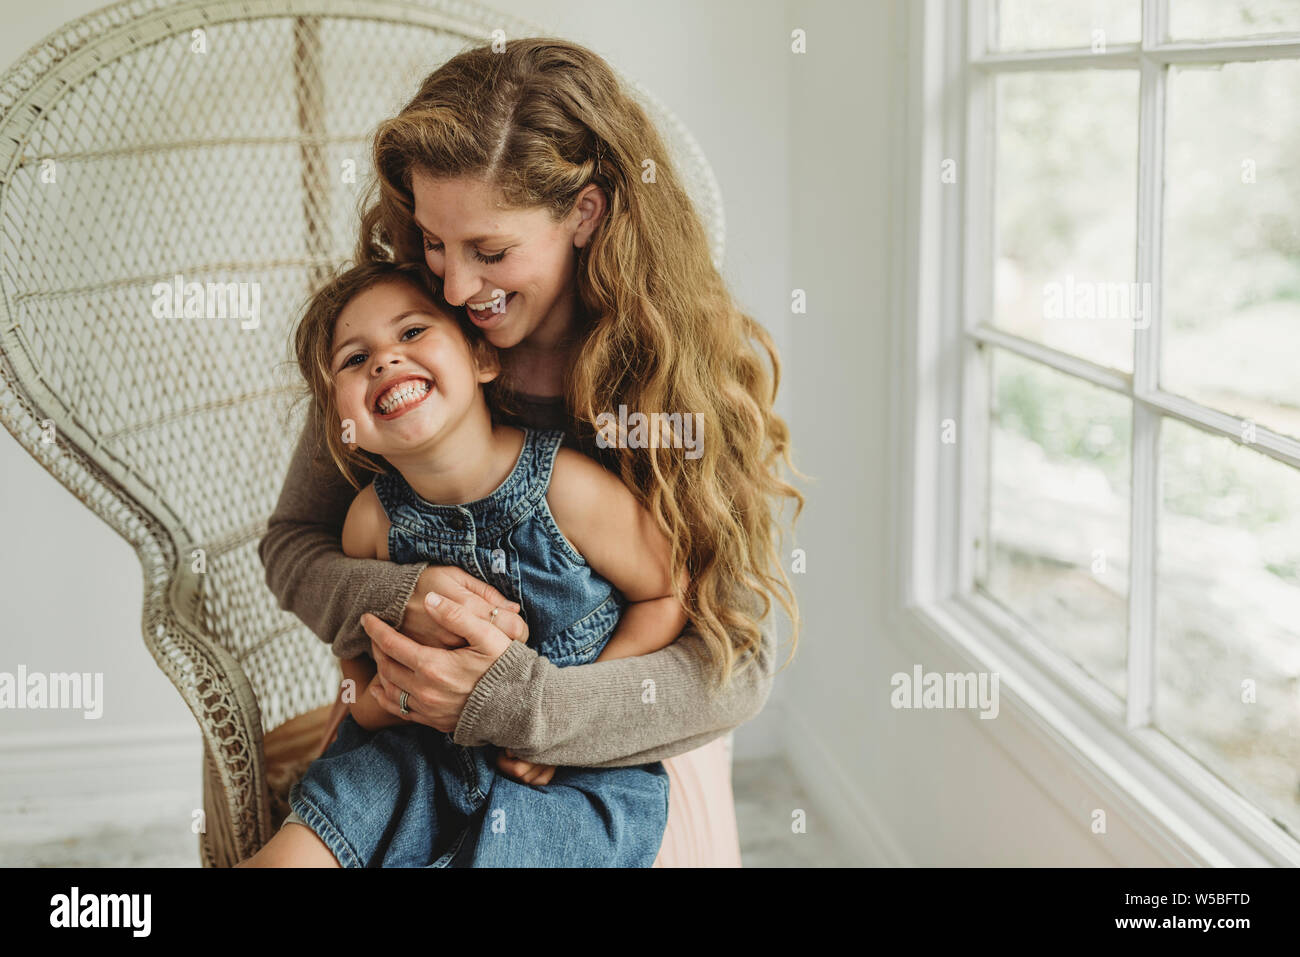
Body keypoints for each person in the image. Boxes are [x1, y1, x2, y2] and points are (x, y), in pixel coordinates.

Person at [256, 37, 802, 863]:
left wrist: (531, 711)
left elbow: (735, 658)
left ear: (585, 213)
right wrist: (411, 595)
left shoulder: (673, 370)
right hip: (416, 727)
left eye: (491, 251)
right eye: (436, 240)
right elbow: (295, 547)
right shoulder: (406, 340)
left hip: (616, 738)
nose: (454, 286)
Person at [242, 260, 686, 866]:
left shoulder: (567, 488)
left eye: (412, 332)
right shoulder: (370, 522)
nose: (384, 361)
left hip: (570, 776)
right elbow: (357, 645)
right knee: (297, 848)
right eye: (354, 358)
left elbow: (667, 592)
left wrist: (570, 723)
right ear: (341, 426)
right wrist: (364, 707)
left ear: (482, 359)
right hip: (417, 751)